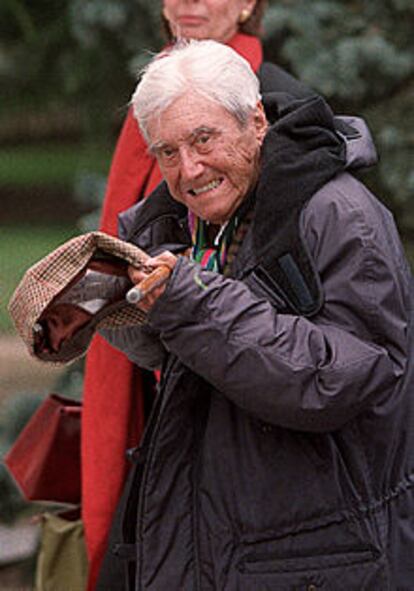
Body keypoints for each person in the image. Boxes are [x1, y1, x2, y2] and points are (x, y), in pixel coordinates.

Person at [96, 41, 414, 590]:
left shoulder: (337, 213)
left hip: (323, 561)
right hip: (237, 552)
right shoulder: (188, 225)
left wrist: (189, 303)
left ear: (256, 120)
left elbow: (339, 379)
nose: (188, 170)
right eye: (166, 152)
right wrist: (114, 306)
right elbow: (200, 364)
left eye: (203, 139)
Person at [81, 2, 314, 588]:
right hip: (153, 377)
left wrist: (186, 299)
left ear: (247, 4)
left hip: (240, 401)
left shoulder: (281, 102)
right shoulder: (156, 96)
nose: (189, 3)